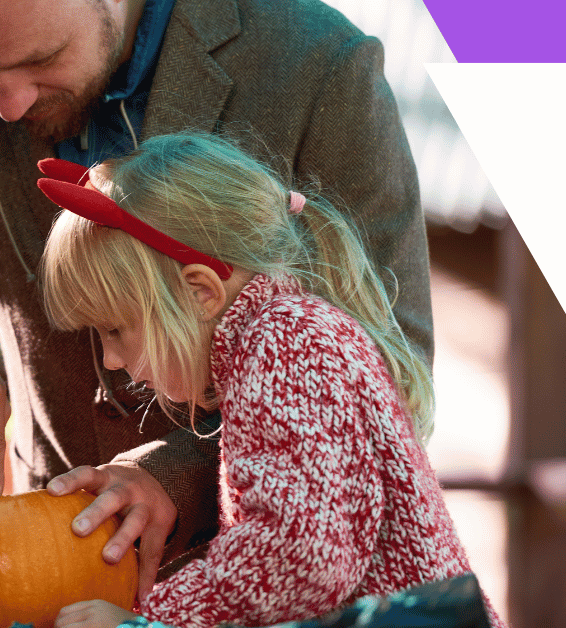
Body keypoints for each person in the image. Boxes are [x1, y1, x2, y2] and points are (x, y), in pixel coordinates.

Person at [0, 0, 432, 592]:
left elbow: (387, 374)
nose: (11, 104)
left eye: (38, 63)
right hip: (39, 575)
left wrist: (172, 478)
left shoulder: (317, 62)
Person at [36, 134, 501, 628]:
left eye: (115, 329)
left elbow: (302, 556)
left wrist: (153, 621)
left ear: (200, 291)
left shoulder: (283, 344)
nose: (109, 360)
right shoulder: (280, 338)